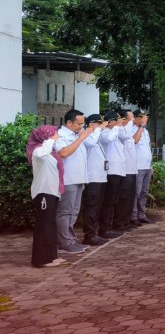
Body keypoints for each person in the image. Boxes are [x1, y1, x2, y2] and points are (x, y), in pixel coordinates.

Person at [54, 109, 92, 254]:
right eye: (79, 124)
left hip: (79, 178)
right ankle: (63, 242)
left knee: (74, 211)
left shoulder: (76, 135)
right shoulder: (60, 135)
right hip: (68, 179)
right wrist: (81, 138)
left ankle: (69, 239)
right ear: (69, 123)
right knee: (65, 212)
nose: (81, 127)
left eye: (83, 124)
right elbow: (63, 153)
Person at [28, 126, 65, 268]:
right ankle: (41, 260)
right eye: (54, 134)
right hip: (43, 192)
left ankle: (51, 257)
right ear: (45, 137)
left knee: (50, 225)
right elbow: (41, 153)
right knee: (44, 225)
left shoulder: (51, 153)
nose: (57, 137)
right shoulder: (38, 151)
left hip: (52, 192)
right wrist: (51, 140)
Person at [81, 114, 110, 246]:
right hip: (92, 177)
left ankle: (95, 232)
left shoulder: (96, 136)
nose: (102, 126)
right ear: (92, 124)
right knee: (91, 206)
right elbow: (90, 143)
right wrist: (97, 129)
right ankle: (89, 235)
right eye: (99, 123)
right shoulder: (86, 136)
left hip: (100, 176)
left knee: (97, 206)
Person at [115, 110, 139, 231]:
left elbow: (134, 139)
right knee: (123, 199)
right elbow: (124, 135)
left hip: (132, 170)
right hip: (125, 171)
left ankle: (126, 221)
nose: (133, 119)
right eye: (131, 117)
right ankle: (120, 223)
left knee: (130, 198)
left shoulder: (128, 132)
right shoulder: (120, 131)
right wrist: (129, 122)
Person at [132, 109, 155, 225]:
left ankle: (142, 215)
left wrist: (150, 165)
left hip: (146, 166)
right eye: (141, 117)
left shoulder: (145, 131)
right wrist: (141, 126)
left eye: (145, 116)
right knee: (136, 193)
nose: (144, 119)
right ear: (135, 118)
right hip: (137, 167)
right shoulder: (132, 129)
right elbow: (135, 141)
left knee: (144, 192)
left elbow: (147, 148)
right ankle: (133, 216)